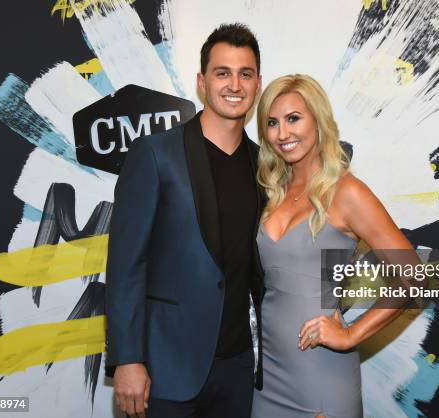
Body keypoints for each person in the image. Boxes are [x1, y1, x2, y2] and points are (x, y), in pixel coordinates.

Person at [105, 23, 264, 418]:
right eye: (222, 72)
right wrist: (128, 359)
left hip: (238, 368)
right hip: (165, 369)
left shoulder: (266, 166)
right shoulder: (156, 154)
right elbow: (126, 267)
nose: (234, 84)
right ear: (202, 82)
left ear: (258, 84)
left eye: (245, 73)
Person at [251, 74, 416, 418]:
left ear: (318, 120)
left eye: (293, 118)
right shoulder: (272, 193)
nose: (283, 134)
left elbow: (413, 278)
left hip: (321, 376)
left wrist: (350, 335)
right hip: (267, 377)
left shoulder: (347, 192)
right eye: (272, 123)